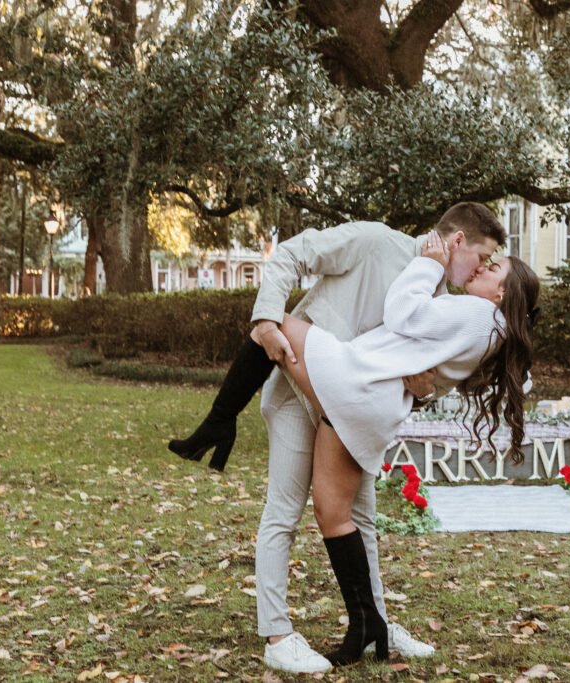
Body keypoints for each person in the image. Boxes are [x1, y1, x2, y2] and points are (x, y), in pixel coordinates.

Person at [168, 203, 506, 673]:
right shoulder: (375, 242)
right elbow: (289, 254)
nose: (481, 270)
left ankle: (376, 627)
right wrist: (266, 319)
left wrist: (426, 391)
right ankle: (277, 634)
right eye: (482, 257)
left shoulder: (441, 295)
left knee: (361, 519)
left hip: (352, 410)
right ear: (457, 243)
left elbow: (433, 372)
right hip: (297, 391)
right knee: (284, 511)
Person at [259, 233, 539, 665]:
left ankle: (217, 420)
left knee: (270, 321)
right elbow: (429, 366)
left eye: (492, 265)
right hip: (372, 405)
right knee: (339, 516)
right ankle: (370, 624)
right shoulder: (487, 327)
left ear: (501, 293)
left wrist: (428, 265)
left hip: (353, 384)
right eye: (485, 258)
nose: (483, 266)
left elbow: (402, 312)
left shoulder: (480, 312)